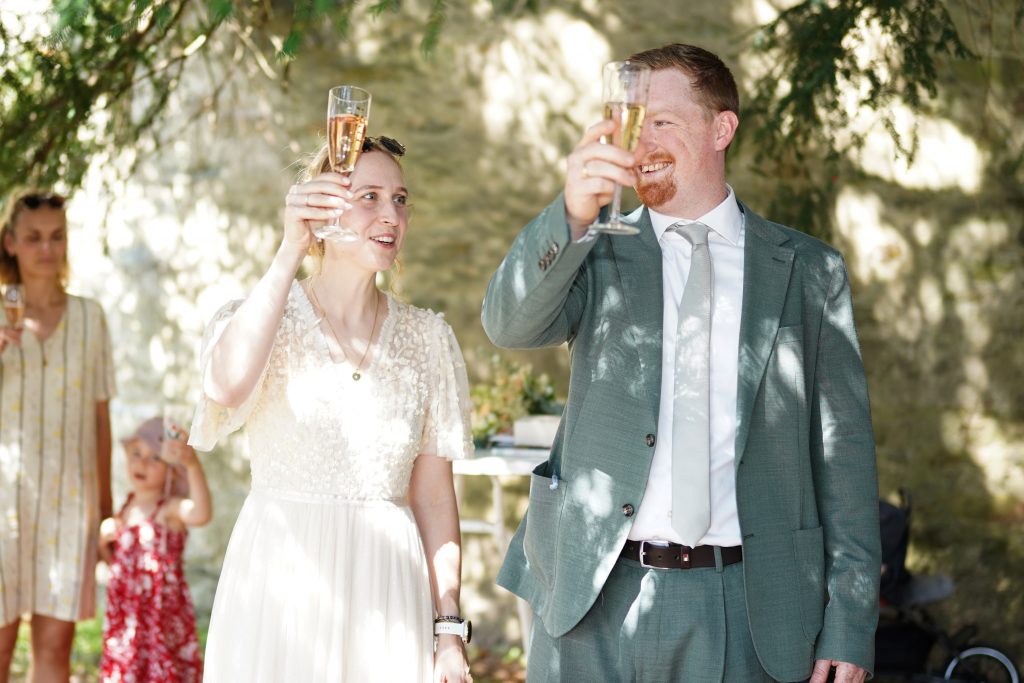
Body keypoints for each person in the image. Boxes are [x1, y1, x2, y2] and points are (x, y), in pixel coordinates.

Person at [483, 44, 880, 683]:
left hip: (748, 606)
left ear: (721, 129)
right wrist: (573, 213)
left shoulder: (810, 270)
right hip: (592, 596)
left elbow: (845, 456)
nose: (641, 141)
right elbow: (508, 323)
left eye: (662, 120)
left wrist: (851, 621)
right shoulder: (595, 250)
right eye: (632, 122)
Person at [189, 136, 474, 682]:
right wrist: (289, 251)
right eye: (368, 196)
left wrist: (448, 630)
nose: (391, 213)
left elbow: (435, 498)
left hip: (387, 591)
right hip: (281, 587)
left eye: (400, 198)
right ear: (324, 210)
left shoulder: (428, 337)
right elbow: (225, 386)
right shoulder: (263, 315)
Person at [0, 189, 116, 682]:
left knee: (54, 650)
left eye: (57, 237)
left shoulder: (90, 318)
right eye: (33, 238)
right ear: (10, 242)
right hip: (3, 503)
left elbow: (100, 418)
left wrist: (106, 511)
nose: (46, 249)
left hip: (71, 505)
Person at [98, 416, 211, 682]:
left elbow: (201, 514)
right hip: (127, 621)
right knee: (127, 672)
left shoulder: (169, 509)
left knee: (162, 671)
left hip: (161, 617)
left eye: (154, 458)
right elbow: (116, 564)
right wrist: (104, 542)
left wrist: (192, 465)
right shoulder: (125, 509)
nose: (142, 463)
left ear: (172, 471)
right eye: (136, 453)